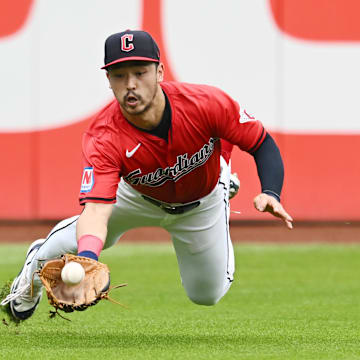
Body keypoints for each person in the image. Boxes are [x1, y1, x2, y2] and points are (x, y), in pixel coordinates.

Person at [1, 30, 293, 321]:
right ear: (108, 80)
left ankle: (223, 180)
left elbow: (261, 143)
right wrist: (88, 260)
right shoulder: (104, 135)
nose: (130, 85)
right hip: (136, 197)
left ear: (160, 72)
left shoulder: (205, 103)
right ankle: (29, 281)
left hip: (201, 202)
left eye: (140, 73)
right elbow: (98, 208)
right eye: (119, 75)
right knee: (72, 243)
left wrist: (271, 191)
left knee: (206, 294)